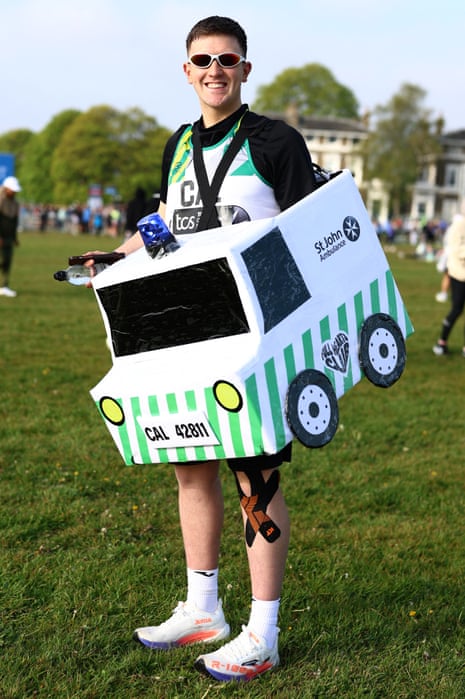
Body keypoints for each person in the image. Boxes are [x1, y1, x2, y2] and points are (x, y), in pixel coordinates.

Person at [84, 15, 316, 682]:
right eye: (201, 60)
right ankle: (203, 607)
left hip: (252, 335)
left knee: (255, 476)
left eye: (226, 58)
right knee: (189, 464)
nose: (214, 69)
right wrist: (119, 252)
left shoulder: (276, 140)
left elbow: (308, 227)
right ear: (186, 72)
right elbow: (168, 220)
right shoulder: (178, 143)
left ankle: (263, 632)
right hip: (183, 325)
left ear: (246, 68)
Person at [433, 203, 465, 357]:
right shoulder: (458, 226)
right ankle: (441, 342)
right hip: (459, 273)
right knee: (457, 309)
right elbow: (456, 250)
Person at [0, 175, 22, 297]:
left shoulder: (14, 203)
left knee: (7, 262)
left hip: (8, 238)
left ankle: (4, 286)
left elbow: (14, 222)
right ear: (6, 188)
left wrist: (14, 238)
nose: (14, 192)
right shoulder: (0, 199)